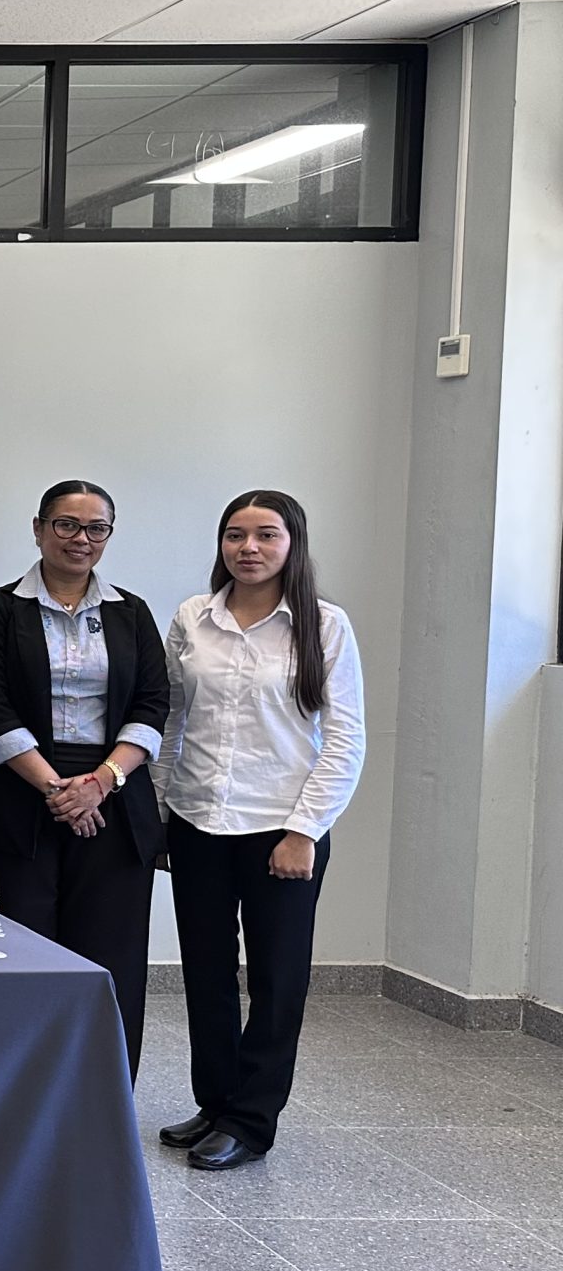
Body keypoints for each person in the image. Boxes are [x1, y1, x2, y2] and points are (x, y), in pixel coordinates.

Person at [157, 491, 366, 1171]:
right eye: (235, 535)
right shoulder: (193, 617)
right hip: (197, 820)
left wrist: (305, 830)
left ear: (291, 544)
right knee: (208, 974)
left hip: (282, 828)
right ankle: (215, 1102)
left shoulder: (324, 626)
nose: (248, 548)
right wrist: (160, 811)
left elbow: (344, 739)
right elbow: (170, 722)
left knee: (277, 979)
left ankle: (252, 1120)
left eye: (265, 536)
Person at [0, 480, 169, 1077]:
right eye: (67, 524)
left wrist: (100, 782)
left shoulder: (133, 612)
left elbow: (152, 705)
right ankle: (13, 1098)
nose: (81, 539)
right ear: (39, 528)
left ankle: (102, 1098)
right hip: (17, 798)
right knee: (13, 955)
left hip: (114, 801)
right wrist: (57, 789)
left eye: (96, 528)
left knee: (112, 960)